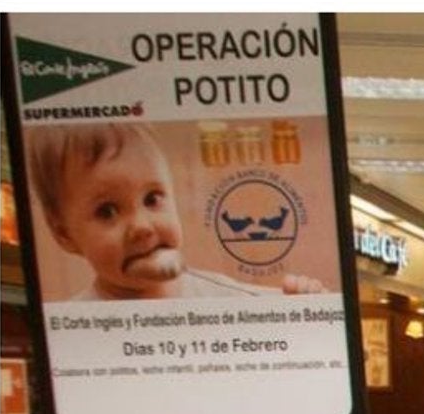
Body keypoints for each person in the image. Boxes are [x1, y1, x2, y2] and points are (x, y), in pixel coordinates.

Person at [27, 122, 325, 301]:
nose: (142, 227)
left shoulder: (225, 298)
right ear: (64, 233)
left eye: (152, 198)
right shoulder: (72, 330)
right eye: (107, 212)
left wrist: (309, 307)